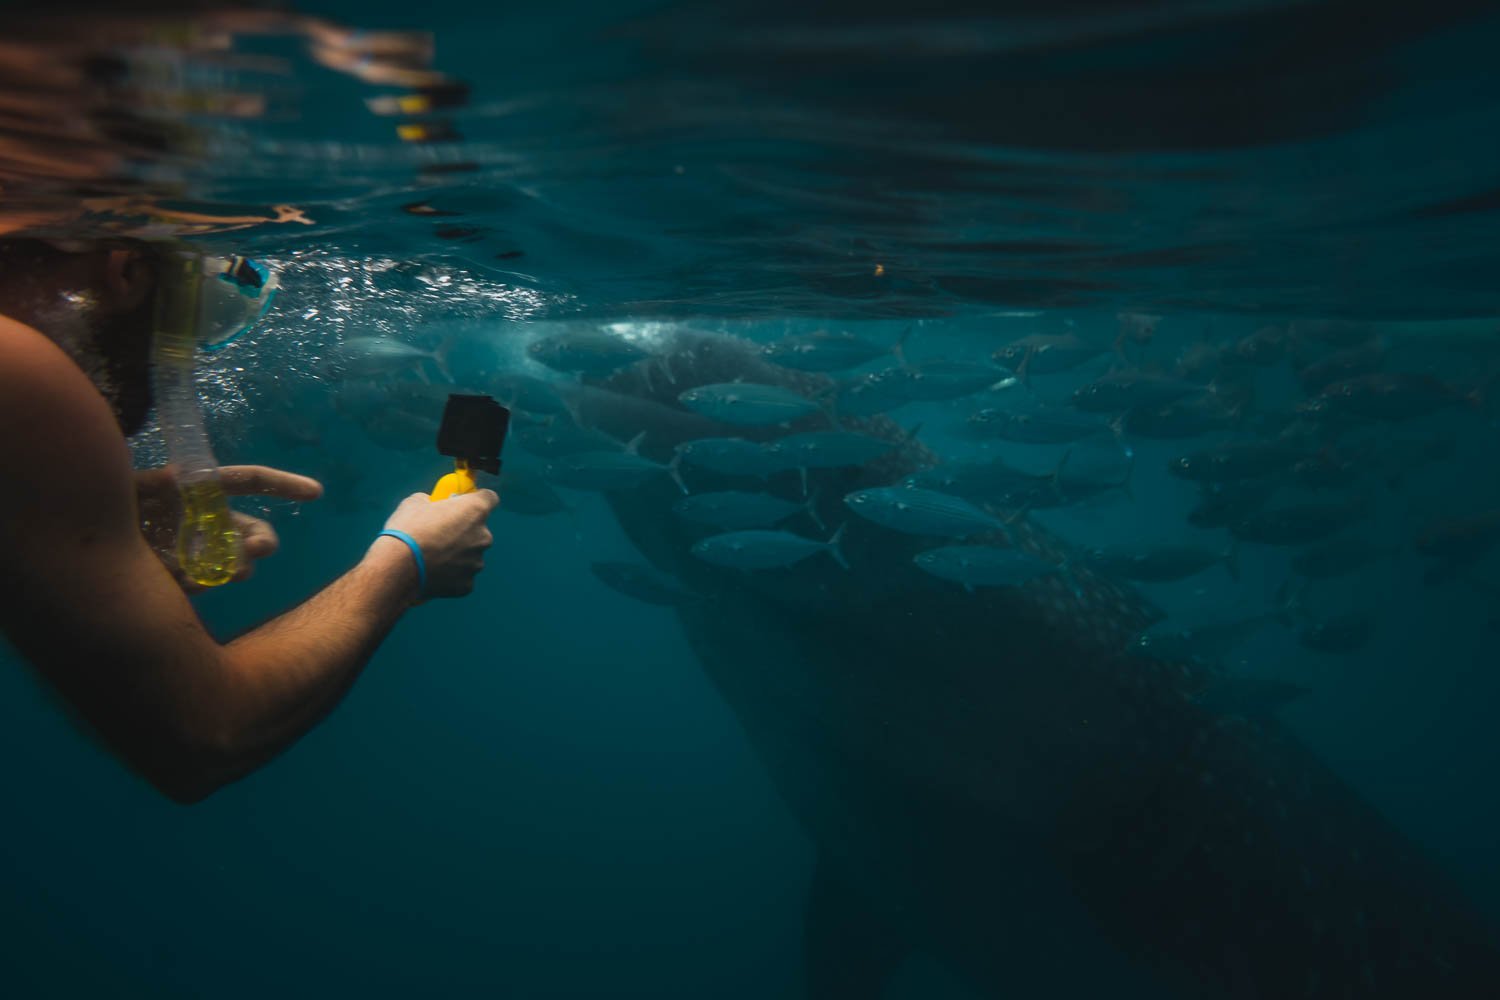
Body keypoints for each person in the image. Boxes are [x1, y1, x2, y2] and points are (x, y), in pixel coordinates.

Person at [0, 237, 498, 803]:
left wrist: (49, 519)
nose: (198, 356)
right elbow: (202, 735)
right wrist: (405, 563)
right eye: (199, 323)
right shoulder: (14, 360)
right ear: (127, 270)